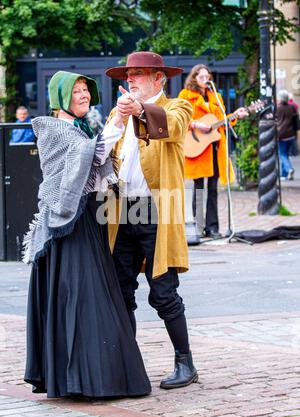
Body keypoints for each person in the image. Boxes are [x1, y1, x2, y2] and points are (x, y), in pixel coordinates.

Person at [23, 70, 151, 399]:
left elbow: (97, 169)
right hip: (67, 228)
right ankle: (87, 380)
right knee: (83, 301)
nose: (84, 96)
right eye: (77, 91)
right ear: (62, 97)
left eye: (86, 91)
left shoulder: (80, 129)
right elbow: (92, 155)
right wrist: (118, 121)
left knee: (91, 301)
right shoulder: (52, 130)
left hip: (86, 222)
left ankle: (89, 378)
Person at [105, 51, 198, 390]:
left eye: (139, 74)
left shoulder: (178, 107)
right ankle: (127, 364)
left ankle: (185, 362)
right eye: (128, 74)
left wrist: (141, 111)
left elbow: (171, 128)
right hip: (120, 210)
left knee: (163, 292)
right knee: (120, 290)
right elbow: (106, 154)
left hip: (158, 209)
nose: (131, 79)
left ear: (160, 78)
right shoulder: (118, 112)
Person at [178, 64, 248, 239]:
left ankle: (212, 228)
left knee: (213, 189)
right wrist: (195, 124)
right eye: (201, 77)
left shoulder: (215, 96)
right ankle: (198, 227)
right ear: (194, 78)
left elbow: (222, 121)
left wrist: (235, 116)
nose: (205, 80)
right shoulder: (185, 95)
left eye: (207, 77)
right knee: (199, 188)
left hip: (215, 149)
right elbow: (179, 120)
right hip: (198, 149)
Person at [277, 89, 298, 180]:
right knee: (285, 154)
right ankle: (284, 174)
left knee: (282, 154)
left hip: (281, 134)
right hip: (291, 134)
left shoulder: (278, 108)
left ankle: (289, 169)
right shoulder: (292, 107)